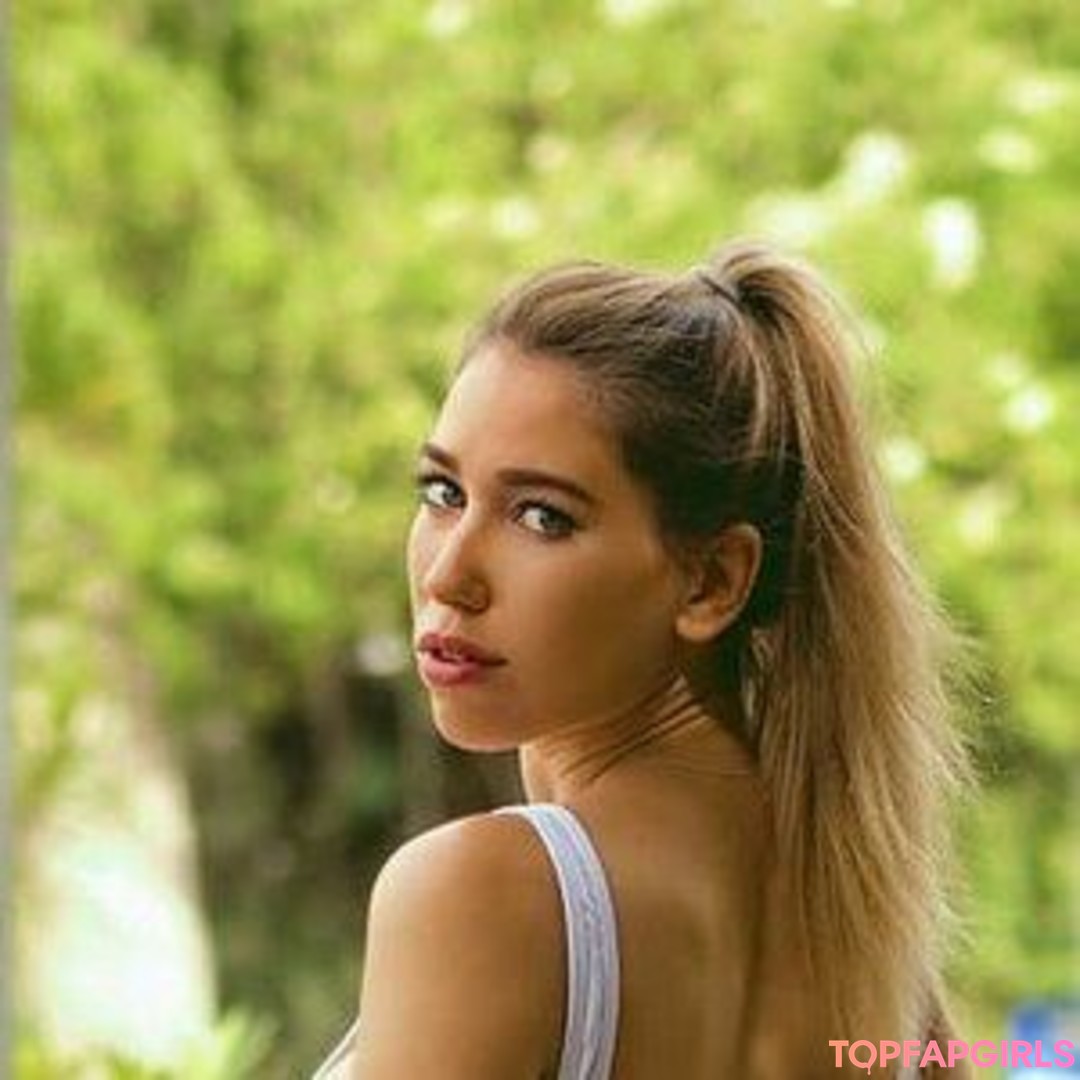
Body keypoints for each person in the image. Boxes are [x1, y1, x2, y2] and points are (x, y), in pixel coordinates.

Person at [312, 240, 973, 1078]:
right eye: (443, 493)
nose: (448, 575)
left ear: (712, 582)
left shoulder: (484, 894)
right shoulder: (877, 947)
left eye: (543, 516)